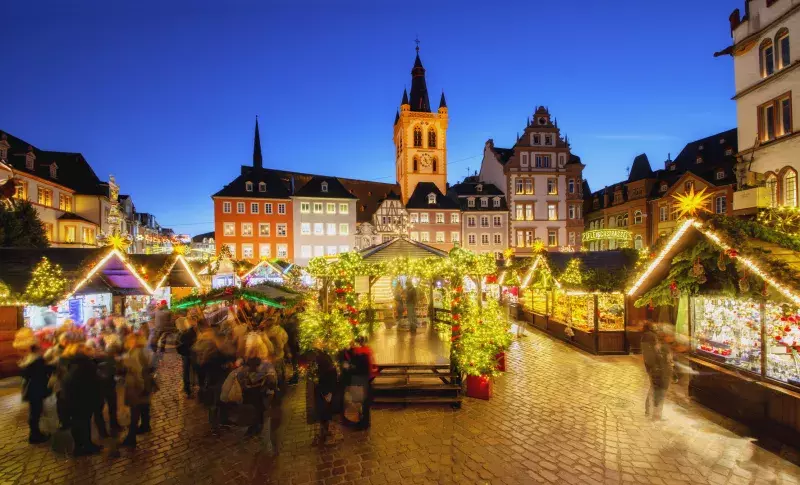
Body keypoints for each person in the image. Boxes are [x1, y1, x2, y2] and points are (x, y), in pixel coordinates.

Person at [61, 343, 103, 456]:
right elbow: (93, 382)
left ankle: (78, 446)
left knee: (76, 422)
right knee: (84, 422)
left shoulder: (71, 362)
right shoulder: (86, 364)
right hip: (84, 398)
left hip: (72, 397)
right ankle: (87, 445)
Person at [14, 328, 54, 444]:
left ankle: (35, 433)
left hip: (31, 388)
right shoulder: (35, 360)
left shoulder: (27, 358)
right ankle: (35, 435)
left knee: (35, 411)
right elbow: (43, 372)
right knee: (36, 411)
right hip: (35, 389)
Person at [234, 334, 277, 438]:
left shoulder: (261, 362)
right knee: (256, 408)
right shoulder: (250, 362)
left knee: (257, 407)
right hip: (254, 391)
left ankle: (257, 426)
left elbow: (270, 377)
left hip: (257, 391)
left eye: (249, 346)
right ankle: (256, 425)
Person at [121, 334, 155, 448]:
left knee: (134, 412)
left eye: (129, 339)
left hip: (136, 386)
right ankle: (145, 426)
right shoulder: (144, 350)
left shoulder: (134, 353)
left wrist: (141, 388)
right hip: (144, 384)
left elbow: (138, 373)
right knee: (144, 406)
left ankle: (131, 437)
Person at [642, 321, 673, 420]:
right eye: (670, 335)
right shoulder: (662, 346)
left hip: (657, 371)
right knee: (659, 392)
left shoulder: (659, 344)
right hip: (659, 372)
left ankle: (650, 411)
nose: (672, 337)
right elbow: (661, 360)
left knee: (655, 390)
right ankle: (655, 414)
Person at [94, 335, 123, 437]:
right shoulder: (105, 358)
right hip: (103, 387)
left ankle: (107, 429)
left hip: (103, 387)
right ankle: (107, 429)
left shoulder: (104, 357)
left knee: (104, 409)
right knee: (102, 409)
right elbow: (117, 371)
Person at [311, 343, 338, 446]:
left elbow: (327, 375)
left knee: (324, 412)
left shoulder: (322, 359)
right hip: (325, 389)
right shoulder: (324, 358)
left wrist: (327, 392)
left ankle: (326, 434)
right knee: (324, 412)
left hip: (325, 389)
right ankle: (324, 432)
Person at [175, 315, 198, 398]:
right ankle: (188, 388)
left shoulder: (182, 333)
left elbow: (178, 347)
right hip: (189, 355)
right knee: (189, 370)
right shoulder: (188, 333)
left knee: (187, 371)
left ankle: (188, 387)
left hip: (186, 354)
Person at [266, 316, 289, 394]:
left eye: (269, 320)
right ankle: (280, 387)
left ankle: (281, 387)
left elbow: (285, 341)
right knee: (278, 372)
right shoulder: (265, 332)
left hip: (278, 355)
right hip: (273, 357)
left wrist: (287, 351)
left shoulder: (279, 330)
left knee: (280, 372)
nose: (268, 322)